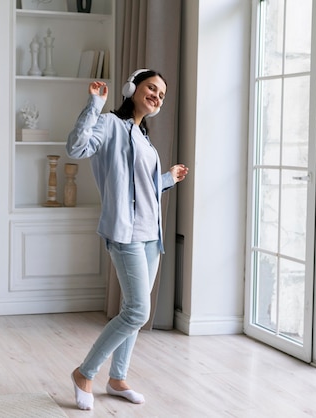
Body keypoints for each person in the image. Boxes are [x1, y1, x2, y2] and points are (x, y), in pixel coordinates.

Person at [65, 69, 189, 410]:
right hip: (125, 233)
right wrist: (94, 104)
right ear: (132, 89)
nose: (157, 96)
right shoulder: (109, 125)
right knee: (137, 311)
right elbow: (75, 147)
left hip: (152, 236)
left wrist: (168, 178)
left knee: (133, 310)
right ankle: (84, 372)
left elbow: (142, 189)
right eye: (152, 88)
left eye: (162, 94)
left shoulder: (143, 137)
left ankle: (117, 379)